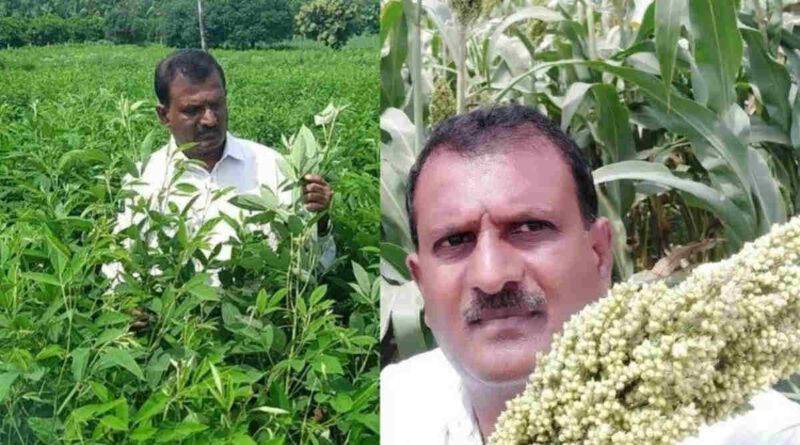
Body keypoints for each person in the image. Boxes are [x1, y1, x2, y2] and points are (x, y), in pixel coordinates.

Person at [380, 104, 800, 444]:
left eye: (529, 228)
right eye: (455, 241)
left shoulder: (757, 434)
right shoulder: (393, 408)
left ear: (600, 254)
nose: (492, 276)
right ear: (420, 284)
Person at [104, 49, 335, 286]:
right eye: (193, 110)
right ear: (163, 115)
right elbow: (120, 267)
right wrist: (129, 303)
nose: (210, 119)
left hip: (262, 318)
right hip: (173, 319)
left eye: (217, 104)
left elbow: (314, 268)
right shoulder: (144, 179)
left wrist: (320, 220)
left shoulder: (272, 166)